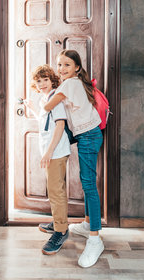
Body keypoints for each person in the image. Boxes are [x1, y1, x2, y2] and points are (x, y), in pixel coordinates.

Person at [43, 50, 104, 268]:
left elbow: (48, 105)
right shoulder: (75, 82)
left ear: (77, 67)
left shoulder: (69, 84)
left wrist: (46, 92)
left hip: (88, 136)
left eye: (67, 65)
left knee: (88, 185)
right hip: (86, 134)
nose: (61, 69)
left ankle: (95, 239)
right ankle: (88, 225)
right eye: (59, 65)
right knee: (86, 182)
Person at [24, 64, 70, 256]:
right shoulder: (47, 99)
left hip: (56, 152)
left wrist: (49, 152)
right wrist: (33, 109)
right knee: (54, 189)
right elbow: (46, 124)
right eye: (39, 80)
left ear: (53, 81)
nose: (42, 83)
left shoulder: (56, 100)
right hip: (52, 152)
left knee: (55, 191)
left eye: (46, 80)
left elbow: (60, 126)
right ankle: (58, 222)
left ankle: (61, 231)